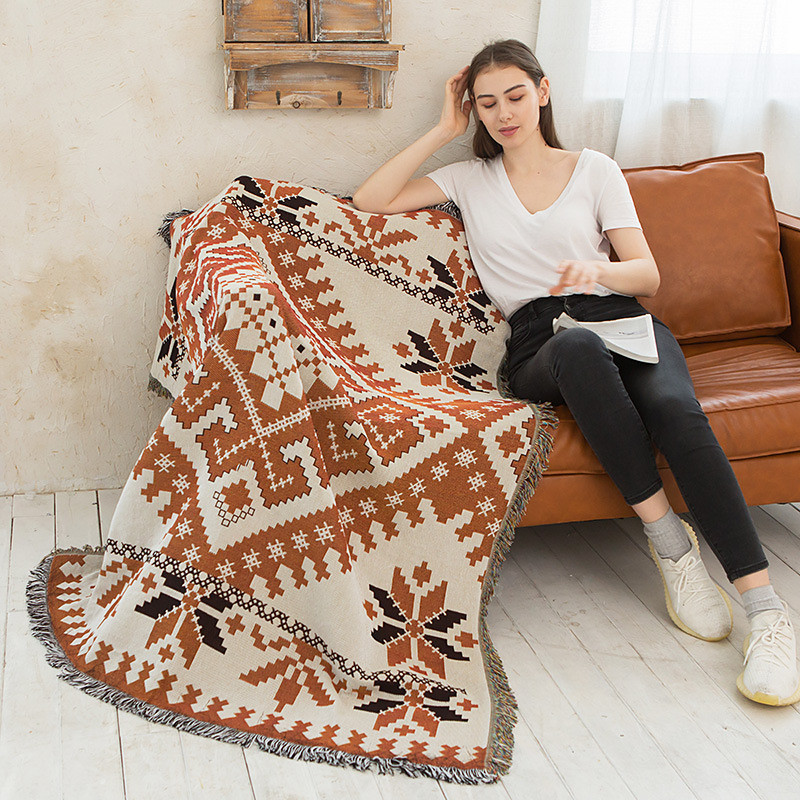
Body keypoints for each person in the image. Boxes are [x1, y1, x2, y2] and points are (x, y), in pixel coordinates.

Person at [352, 38, 800, 707]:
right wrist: (444, 129)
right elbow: (371, 200)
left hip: (621, 316)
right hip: (544, 342)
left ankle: (766, 613)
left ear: (543, 91)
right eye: (486, 103)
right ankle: (670, 545)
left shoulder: (595, 170)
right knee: (580, 349)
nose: (504, 113)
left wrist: (597, 271)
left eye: (515, 96)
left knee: (677, 412)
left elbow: (646, 276)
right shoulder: (468, 178)